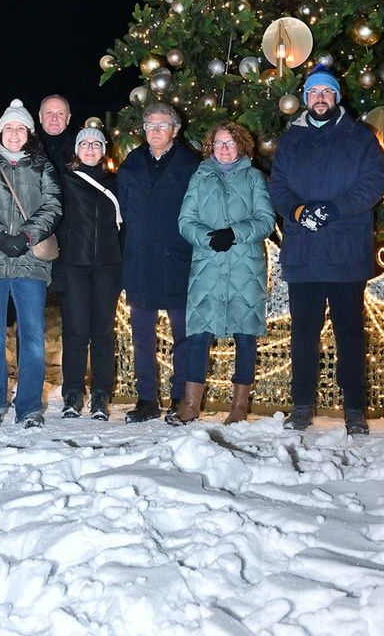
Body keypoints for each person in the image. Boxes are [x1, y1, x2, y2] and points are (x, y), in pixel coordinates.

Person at [269, 71, 384, 435]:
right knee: (304, 331)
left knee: (349, 332)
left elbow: (373, 183)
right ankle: (301, 405)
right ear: (306, 99)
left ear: (337, 96)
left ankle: (354, 408)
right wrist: (299, 212)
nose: (320, 97)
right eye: (314, 92)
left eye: (327, 92)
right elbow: (277, 187)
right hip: (304, 253)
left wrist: (335, 209)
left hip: (345, 253)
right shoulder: (292, 139)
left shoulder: (361, 137)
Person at [0, 98, 61, 428]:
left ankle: (29, 406)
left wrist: (27, 235)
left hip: (29, 263)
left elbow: (52, 205)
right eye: (9, 127)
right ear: (0, 132)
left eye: (21, 127)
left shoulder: (42, 166)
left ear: (30, 132)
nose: (15, 133)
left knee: (32, 335)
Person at [173, 121, 275, 426]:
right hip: (208, 266)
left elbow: (266, 220)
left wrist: (235, 233)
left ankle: (239, 407)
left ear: (242, 146)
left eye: (230, 143)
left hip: (245, 268)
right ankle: (191, 404)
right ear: (211, 147)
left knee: (246, 336)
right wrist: (208, 238)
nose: (225, 149)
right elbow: (185, 220)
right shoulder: (200, 178)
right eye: (219, 143)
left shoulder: (254, 177)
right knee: (199, 335)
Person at [116, 102, 200, 423]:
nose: (155, 130)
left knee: (184, 335)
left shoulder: (191, 165)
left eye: (162, 125)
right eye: (150, 124)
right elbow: (123, 213)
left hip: (179, 260)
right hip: (140, 261)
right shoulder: (131, 165)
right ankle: (147, 399)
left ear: (175, 130)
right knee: (142, 336)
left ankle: (181, 398)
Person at [56, 126, 123, 419]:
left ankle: (100, 394)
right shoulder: (63, 181)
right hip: (74, 265)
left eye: (97, 144)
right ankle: (72, 392)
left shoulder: (117, 183)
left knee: (103, 333)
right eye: (85, 144)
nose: (91, 149)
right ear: (77, 149)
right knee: (75, 333)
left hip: (108, 266)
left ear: (104, 149)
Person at [37, 94, 75, 173]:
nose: (54, 118)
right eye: (49, 112)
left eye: (60, 113)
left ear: (68, 119)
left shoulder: (80, 149)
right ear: (40, 117)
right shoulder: (26, 146)